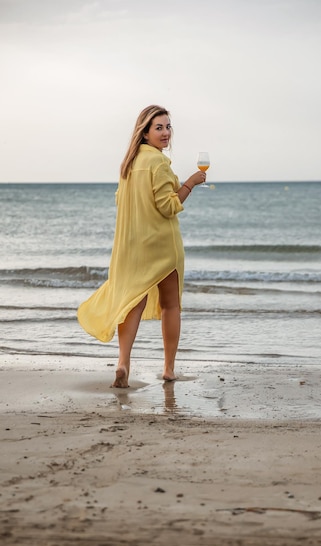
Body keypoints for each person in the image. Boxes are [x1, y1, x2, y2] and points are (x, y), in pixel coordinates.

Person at [77, 105, 206, 387]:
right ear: (145, 132)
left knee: (132, 303)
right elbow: (168, 206)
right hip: (162, 245)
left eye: (168, 127)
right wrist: (190, 184)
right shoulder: (158, 163)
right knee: (171, 306)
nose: (165, 133)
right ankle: (169, 369)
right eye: (158, 127)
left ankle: (123, 364)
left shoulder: (129, 163)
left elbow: (120, 201)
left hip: (132, 246)